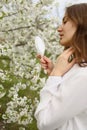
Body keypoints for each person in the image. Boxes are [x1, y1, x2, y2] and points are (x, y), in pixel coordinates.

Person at [34, 3, 87, 130]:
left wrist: (56, 74)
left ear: (81, 23)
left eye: (65, 22)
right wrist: (56, 74)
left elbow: (44, 122)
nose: (59, 28)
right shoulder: (78, 70)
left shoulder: (83, 75)